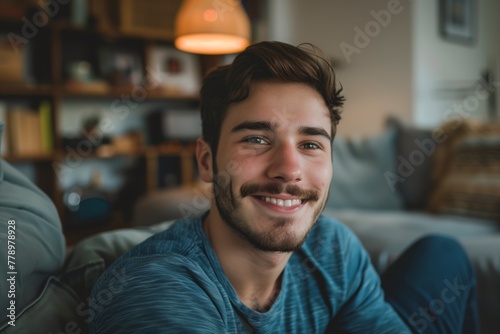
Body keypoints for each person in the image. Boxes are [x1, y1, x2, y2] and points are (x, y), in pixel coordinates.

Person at [89, 41, 479, 333]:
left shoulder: (333, 248)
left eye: (310, 144)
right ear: (206, 161)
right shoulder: (157, 291)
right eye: (256, 139)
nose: (289, 170)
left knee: (443, 253)